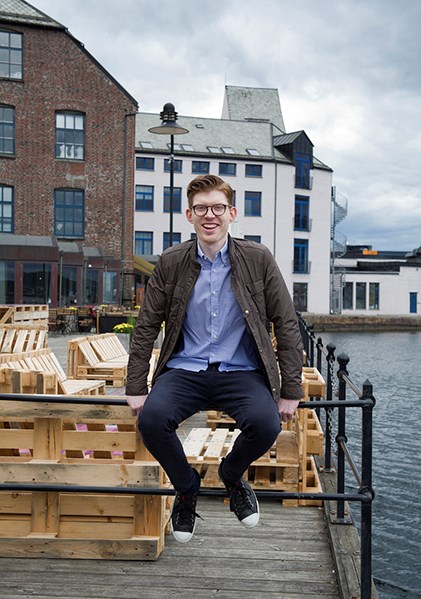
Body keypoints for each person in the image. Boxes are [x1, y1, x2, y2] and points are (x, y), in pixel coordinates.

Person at [125, 174, 304, 543]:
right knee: (153, 420)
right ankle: (187, 488)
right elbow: (146, 325)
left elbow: (286, 322)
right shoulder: (172, 261)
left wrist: (291, 388)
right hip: (185, 369)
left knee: (266, 424)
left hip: (240, 371)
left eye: (218, 207)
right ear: (189, 214)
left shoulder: (258, 259)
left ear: (232, 213)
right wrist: (135, 386)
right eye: (202, 208)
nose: (210, 215)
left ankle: (231, 475)